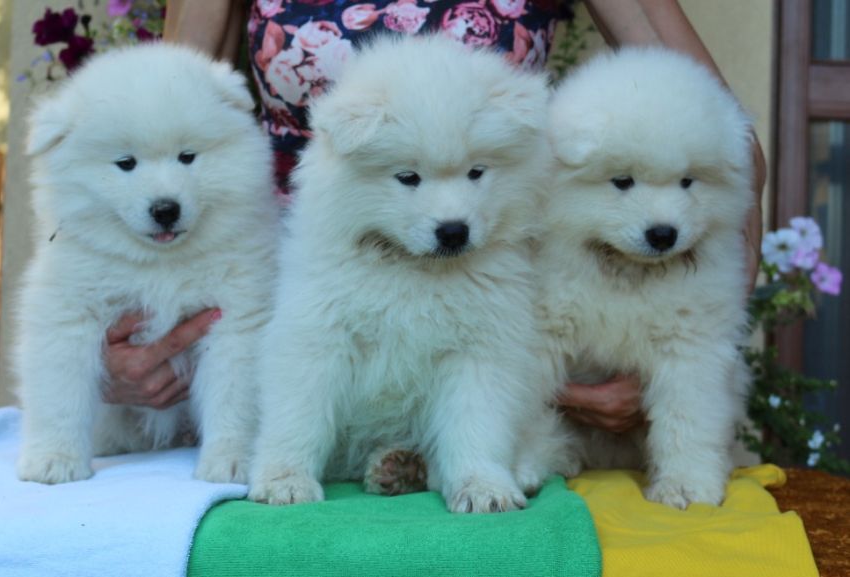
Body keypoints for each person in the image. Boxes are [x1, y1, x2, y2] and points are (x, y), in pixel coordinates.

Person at [102, 0, 766, 436]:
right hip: (301, 298)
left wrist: (686, 355)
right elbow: (162, 119)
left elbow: (722, 139)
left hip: (495, 307)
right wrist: (132, 332)